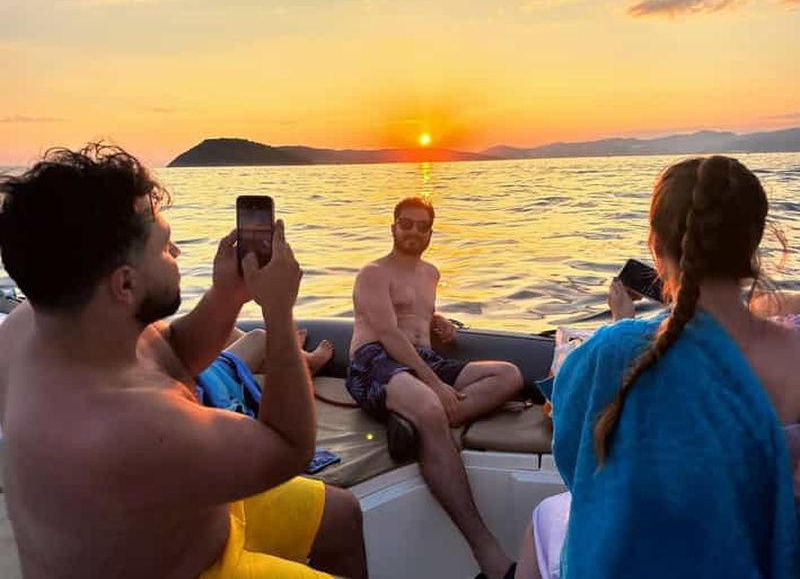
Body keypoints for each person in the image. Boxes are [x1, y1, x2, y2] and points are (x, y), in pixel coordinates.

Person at [0, 144, 367, 579]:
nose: (176, 251)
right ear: (124, 285)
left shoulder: (43, 322)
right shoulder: (131, 427)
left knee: (343, 516)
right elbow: (289, 448)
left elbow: (171, 353)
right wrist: (278, 312)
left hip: (181, 515)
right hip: (191, 568)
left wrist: (228, 294)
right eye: (163, 246)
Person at [514, 156, 800, 579]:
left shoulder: (612, 350)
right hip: (761, 560)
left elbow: (577, 461)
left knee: (544, 519)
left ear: (654, 243)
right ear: (756, 241)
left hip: (632, 561)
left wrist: (620, 322)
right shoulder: (793, 353)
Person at [348, 197, 523, 579]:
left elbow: (415, 318)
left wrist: (442, 324)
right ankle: (487, 553)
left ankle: (410, 420)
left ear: (430, 232)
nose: (413, 231)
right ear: (393, 227)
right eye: (406, 224)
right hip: (375, 360)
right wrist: (434, 385)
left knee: (508, 375)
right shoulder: (373, 273)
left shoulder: (430, 273)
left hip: (422, 359)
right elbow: (389, 333)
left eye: (421, 226)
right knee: (430, 406)